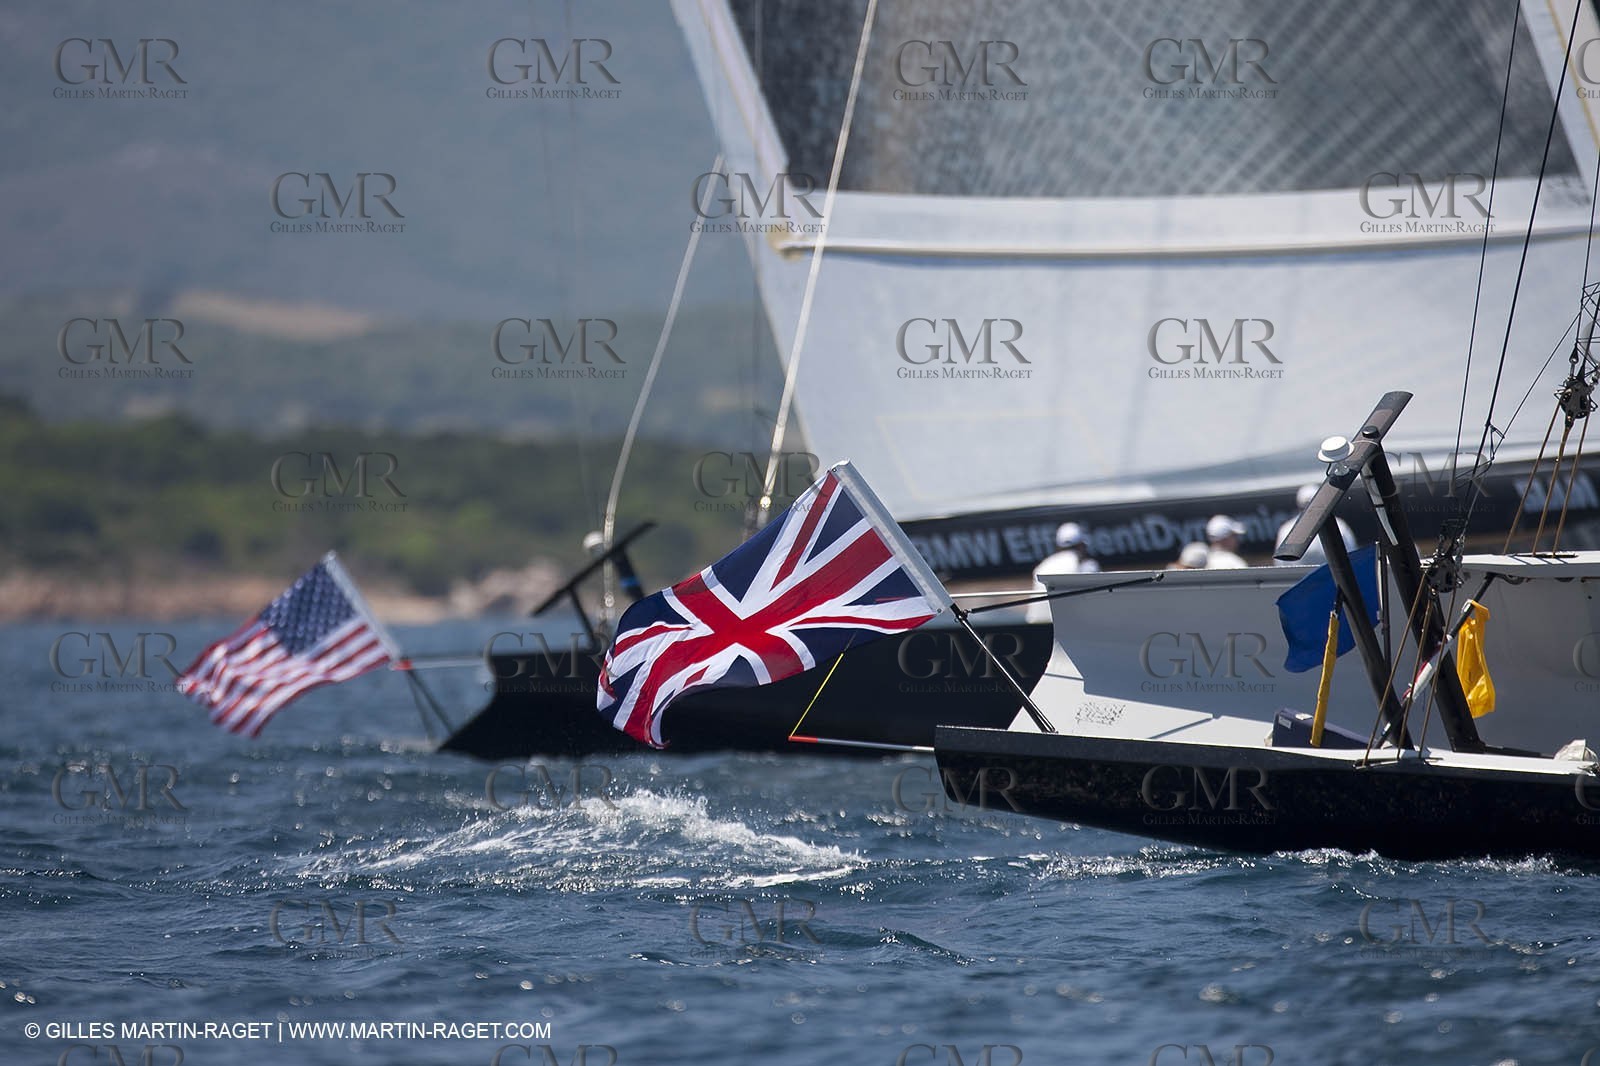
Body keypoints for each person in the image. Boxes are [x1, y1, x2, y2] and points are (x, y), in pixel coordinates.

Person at [1028, 522, 1099, 621]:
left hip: (1034, 627)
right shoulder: (1087, 566)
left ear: (1058, 546)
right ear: (1081, 545)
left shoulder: (1043, 566)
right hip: (1064, 628)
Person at [1274, 484, 1356, 565]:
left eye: (1314, 504)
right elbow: (1280, 562)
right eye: (1306, 505)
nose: (1310, 509)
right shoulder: (1286, 530)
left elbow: (1352, 554)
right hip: (1301, 577)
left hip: (1332, 576)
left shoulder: (1340, 526)